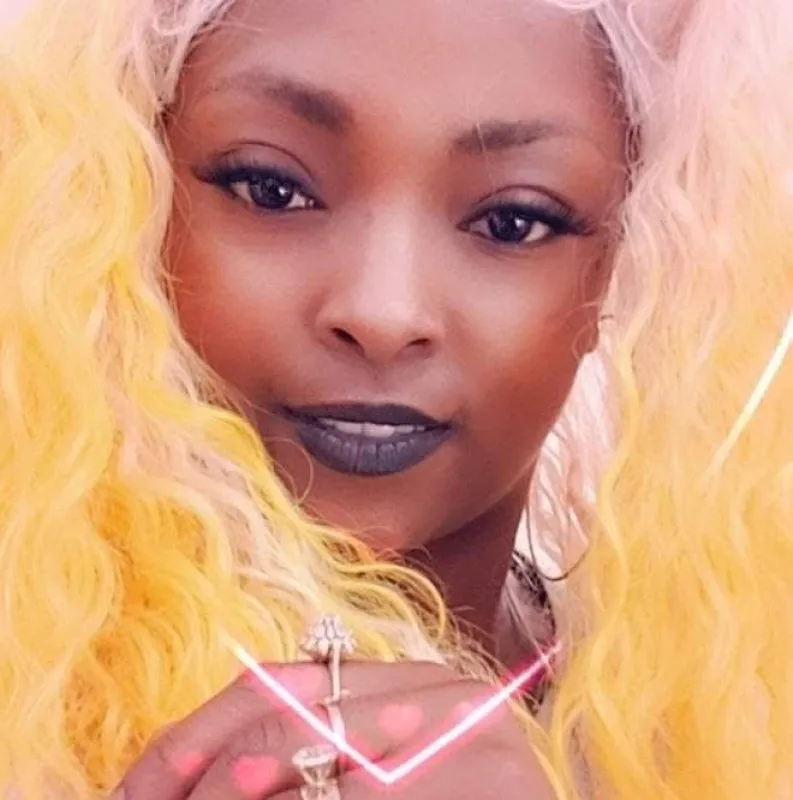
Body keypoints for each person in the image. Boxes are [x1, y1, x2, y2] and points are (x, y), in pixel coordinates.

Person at [0, 0, 791, 798]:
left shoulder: (741, 735)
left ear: (620, 264)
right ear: (115, 200)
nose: (382, 312)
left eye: (511, 222)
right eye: (271, 189)